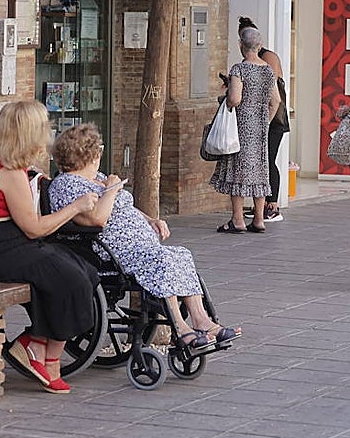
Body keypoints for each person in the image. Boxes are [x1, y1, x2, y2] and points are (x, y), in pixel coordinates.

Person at [48, 123, 238, 347]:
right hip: (112, 253)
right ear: (91, 153)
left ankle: (202, 320)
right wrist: (110, 189)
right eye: (99, 148)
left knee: (181, 255)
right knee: (163, 259)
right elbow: (97, 219)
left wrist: (150, 220)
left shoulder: (97, 177)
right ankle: (181, 328)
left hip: (138, 247)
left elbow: (125, 207)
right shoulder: (67, 184)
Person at [0, 99, 100, 395]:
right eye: (42, 127)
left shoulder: (9, 166)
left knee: (84, 271)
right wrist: (75, 207)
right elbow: (34, 227)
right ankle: (45, 358)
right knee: (70, 276)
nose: (47, 132)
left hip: (6, 242)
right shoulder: (8, 172)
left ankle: (36, 345)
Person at [211, 26, 281, 232]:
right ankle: (258, 220)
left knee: (238, 171)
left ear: (241, 45)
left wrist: (226, 102)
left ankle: (238, 220)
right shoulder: (268, 70)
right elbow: (275, 100)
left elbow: (234, 99)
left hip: (240, 128)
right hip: (260, 130)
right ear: (259, 46)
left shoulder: (239, 69)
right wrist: (265, 121)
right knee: (260, 171)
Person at [238, 16, 289, 223]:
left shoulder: (268, 59)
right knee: (260, 160)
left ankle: (273, 205)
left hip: (273, 119)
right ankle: (261, 207)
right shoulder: (248, 62)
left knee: (268, 159)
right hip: (261, 119)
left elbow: (272, 91)